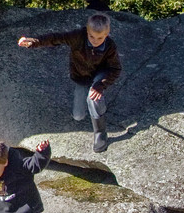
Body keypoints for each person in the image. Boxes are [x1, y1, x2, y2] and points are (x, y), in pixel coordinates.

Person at [17, 13, 121, 153]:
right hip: (81, 76)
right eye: (92, 36)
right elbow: (56, 38)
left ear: (107, 34)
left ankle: (100, 133)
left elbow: (115, 69)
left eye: (100, 38)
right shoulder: (78, 36)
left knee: (94, 98)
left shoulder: (110, 46)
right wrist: (34, 41)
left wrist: (100, 85)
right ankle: (95, 103)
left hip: (99, 76)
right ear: (87, 31)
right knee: (78, 116)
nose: (95, 41)